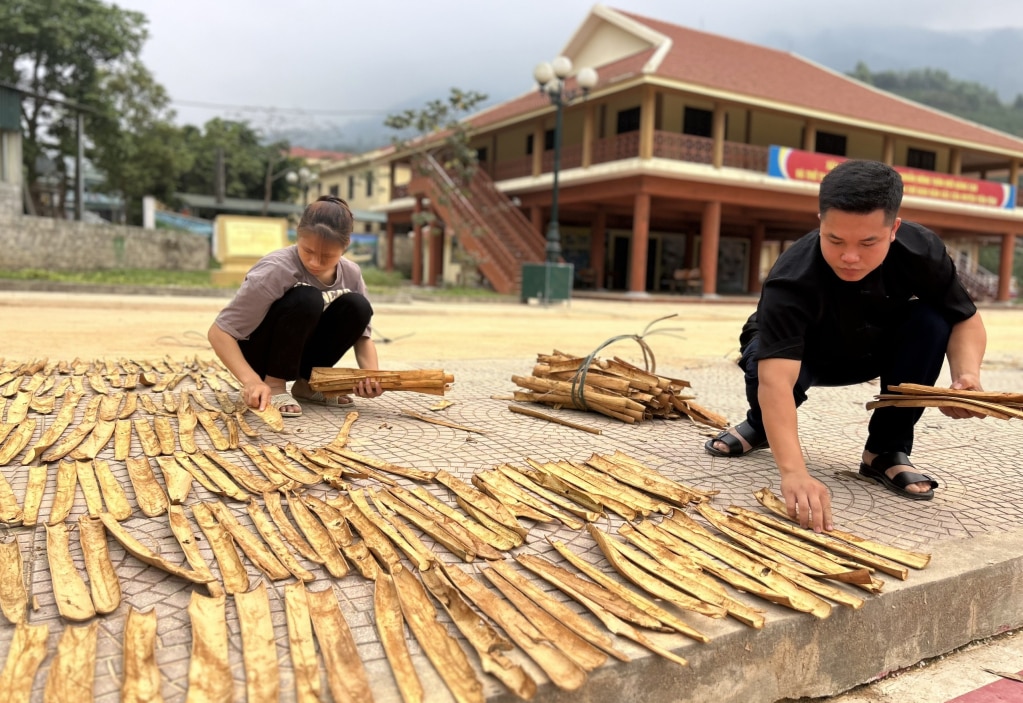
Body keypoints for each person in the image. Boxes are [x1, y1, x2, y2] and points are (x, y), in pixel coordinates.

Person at [704, 159, 987, 532]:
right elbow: (776, 380)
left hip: (870, 346)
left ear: (893, 229)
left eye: (868, 242)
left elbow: (964, 316)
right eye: (834, 240)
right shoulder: (791, 277)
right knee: (764, 364)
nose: (849, 257)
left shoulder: (922, 251)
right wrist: (794, 473)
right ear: (820, 221)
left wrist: (966, 379)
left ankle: (884, 451)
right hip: (799, 355)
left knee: (932, 321)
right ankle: (759, 425)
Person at [208, 195, 383, 417]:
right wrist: (251, 381)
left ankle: (307, 385)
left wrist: (372, 377)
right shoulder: (276, 269)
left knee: (358, 306)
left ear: (345, 246)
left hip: (297, 351)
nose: (315, 263)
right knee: (307, 298)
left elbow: (363, 337)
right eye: (308, 251)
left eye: (327, 256)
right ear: (298, 236)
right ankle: (274, 385)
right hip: (258, 353)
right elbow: (219, 333)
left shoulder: (351, 273)